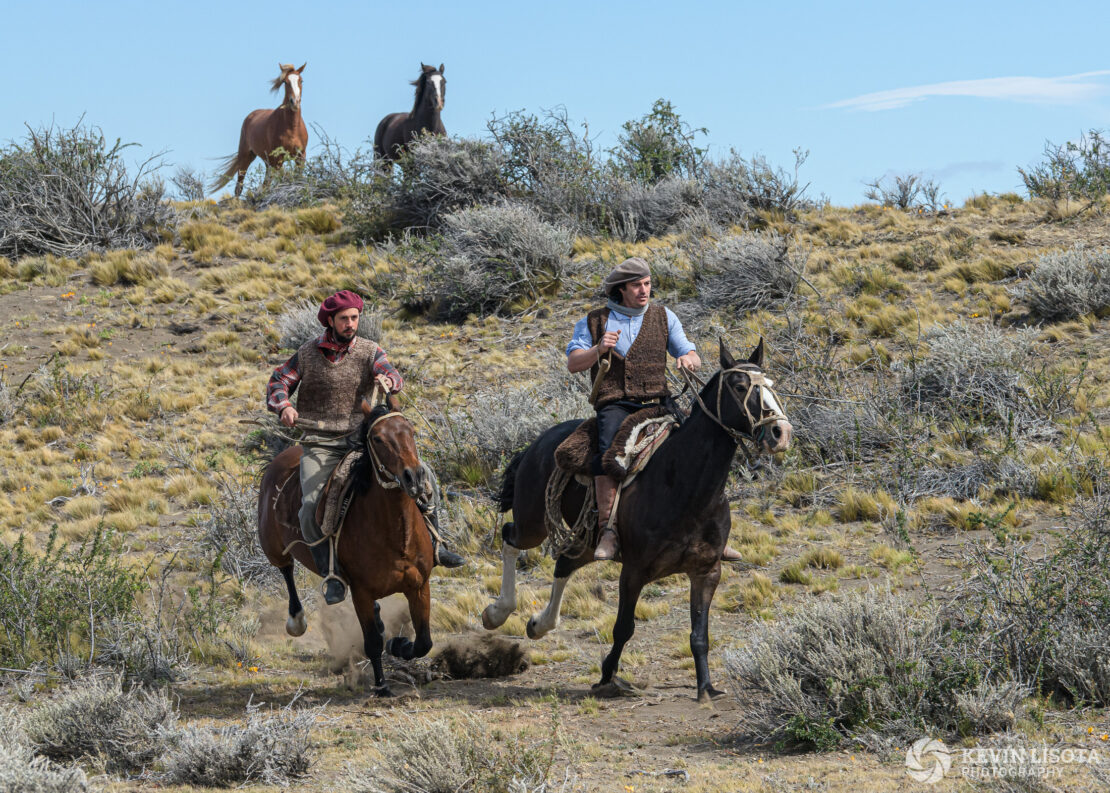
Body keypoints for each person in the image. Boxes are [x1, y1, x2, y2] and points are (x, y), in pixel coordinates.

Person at [267, 290, 463, 604]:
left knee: (423, 478)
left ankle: (438, 546)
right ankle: (330, 572)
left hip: (364, 439)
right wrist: (284, 406)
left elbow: (391, 374)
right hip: (321, 444)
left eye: (355, 318)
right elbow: (279, 380)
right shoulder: (306, 353)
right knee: (309, 507)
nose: (350, 324)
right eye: (344, 318)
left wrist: (390, 380)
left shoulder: (370, 351)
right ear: (330, 320)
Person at [566, 258, 744, 563]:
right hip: (616, 403)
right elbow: (573, 363)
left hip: (658, 402)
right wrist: (598, 350)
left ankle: (713, 533)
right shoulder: (595, 321)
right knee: (610, 454)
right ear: (620, 289)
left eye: (647, 284)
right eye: (637, 285)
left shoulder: (664, 317)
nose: (644, 290)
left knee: (701, 449)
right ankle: (608, 529)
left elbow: (689, 352)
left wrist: (688, 359)